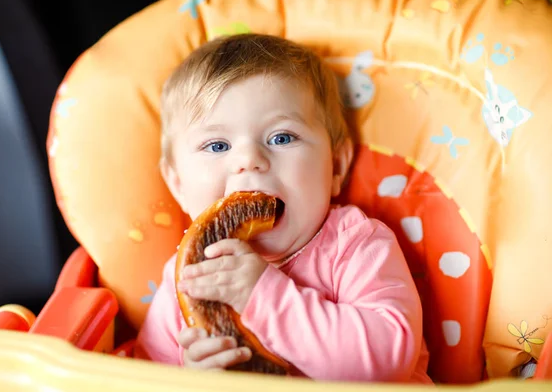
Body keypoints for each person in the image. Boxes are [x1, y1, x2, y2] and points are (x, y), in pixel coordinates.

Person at [135, 33, 432, 384]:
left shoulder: (356, 245)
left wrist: (262, 295)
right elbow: (142, 379)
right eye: (217, 145)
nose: (248, 160)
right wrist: (192, 378)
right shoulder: (187, 278)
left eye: (281, 138)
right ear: (178, 184)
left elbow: (387, 362)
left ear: (335, 166)